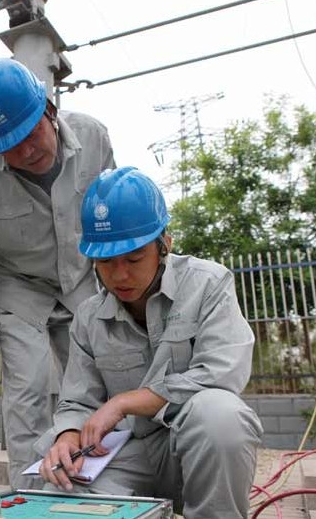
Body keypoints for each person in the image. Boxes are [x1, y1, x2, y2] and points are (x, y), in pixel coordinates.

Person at [38, 167, 263, 518]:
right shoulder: (88, 317)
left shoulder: (208, 284)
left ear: (164, 245)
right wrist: (67, 435)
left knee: (221, 417)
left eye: (134, 258)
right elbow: (77, 399)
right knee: (61, 488)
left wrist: (125, 402)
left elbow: (221, 372)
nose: (120, 275)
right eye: (105, 262)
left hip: (195, 449)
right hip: (130, 453)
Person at [0, 56, 116, 489]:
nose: (24, 152)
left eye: (29, 134)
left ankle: (102, 486)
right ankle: (29, 499)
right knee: (28, 393)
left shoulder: (94, 138)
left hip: (80, 280)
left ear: (50, 110)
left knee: (97, 382)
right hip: (16, 289)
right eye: (8, 144)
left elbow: (114, 215)